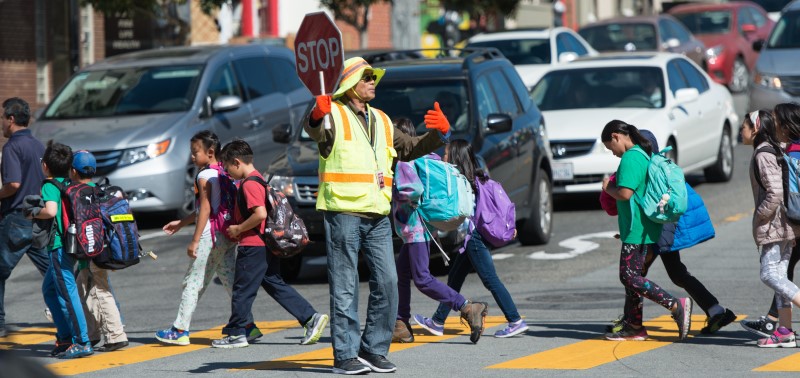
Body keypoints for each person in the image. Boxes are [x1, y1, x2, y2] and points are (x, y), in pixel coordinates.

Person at [304, 57, 450, 375]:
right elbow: (314, 129)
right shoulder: (333, 114)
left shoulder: (381, 120)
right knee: (345, 286)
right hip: (342, 211)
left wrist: (439, 134)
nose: (373, 81)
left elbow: (409, 147)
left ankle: (372, 349)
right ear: (350, 82)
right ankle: (344, 355)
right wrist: (316, 113)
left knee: (388, 282)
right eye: (367, 77)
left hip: (378, 214)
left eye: (374, 77)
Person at [602, 130, 736, 339]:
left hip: (663, 228)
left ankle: (634, 322)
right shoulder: (657, 166)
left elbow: (633, 205)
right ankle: (715, 310)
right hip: (667, 225)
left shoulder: (648, 169)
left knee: (636, 274)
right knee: (673, 272)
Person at [211, 139, 328, 349]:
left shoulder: (249, 185)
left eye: (227, 166)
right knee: (275, 284)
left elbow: (260, 214)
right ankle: (311, 318)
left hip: (253, 245)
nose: (227, 172)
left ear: (237, 162)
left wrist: (238, 229)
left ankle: (237, 332)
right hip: (264, 244)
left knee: (241, 290)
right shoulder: (259, 180)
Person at [156, 131, 261, 346]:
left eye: (195, 152)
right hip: (227, 235)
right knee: (230, 280)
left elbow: (205, 208)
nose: (192, 157)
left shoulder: (204, 176)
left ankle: (179, 330)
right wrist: (182, 223)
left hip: (209, 236)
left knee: (193, 282)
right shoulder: (224, 173)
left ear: (210, 152)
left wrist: (195, 239)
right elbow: (211, 206)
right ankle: (247, 326)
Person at [414, 139, 527, 341]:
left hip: (475, 238)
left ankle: (515, 320)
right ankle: (438, 322)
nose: (444, 157)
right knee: (455, 278)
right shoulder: (480, 178)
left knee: (490, 280)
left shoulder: (462, 181)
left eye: (448, 154)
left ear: (456, 157)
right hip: (473, 238)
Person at [390, 119, 487, 344]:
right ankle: (400, 324)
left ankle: (467, 307)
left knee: (422, 278)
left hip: (416, 227)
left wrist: (389, 189)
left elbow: (411, 189)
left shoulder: (406, 160)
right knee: (402, 274)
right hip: (421, 226)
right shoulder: (425, 158)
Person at [600, 120, 692, 341]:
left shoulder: (632, 156)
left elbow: (625, 194)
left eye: (610, 147)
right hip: (641, 227)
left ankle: (675, 304)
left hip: (637, 228)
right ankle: (634, 326)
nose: (612, 154)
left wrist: (607, 187)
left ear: (616, 137)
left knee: (629, 276)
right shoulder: (642, 153)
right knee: (634, 277)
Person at [741, 104, 800, 342]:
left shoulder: (764, 154)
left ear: (755, 129)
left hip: (775, 225)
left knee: (769, 274)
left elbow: (774, 193)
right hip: (785, 223)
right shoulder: (774, 149)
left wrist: (761, 216)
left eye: (744, 127)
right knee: (780, 275)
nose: (740, 132)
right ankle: (784, 331)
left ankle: (784, 329)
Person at [35, 142, 93, 358]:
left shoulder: (49, 185)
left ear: (45, 166)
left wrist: (32, 212)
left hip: (60, 245)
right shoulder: (69, 183)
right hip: (74, 244)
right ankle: (65, 337)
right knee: (50, 289)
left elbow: (50, 212)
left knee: (68, 294)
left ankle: (82, 341)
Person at [0, 97, 49, 338]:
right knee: (54, 270)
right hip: (39, 216)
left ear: (11, 119)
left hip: (17, 216)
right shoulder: (39, 146)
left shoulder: (11, 147)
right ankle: (78, 314)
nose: (1, 123)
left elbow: (13, 184)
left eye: (2, 118)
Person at [72, 151, 128, 352]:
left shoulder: (79, 193)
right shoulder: (99, 190)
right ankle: (93, 334)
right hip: (102, 248)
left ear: (72, 170)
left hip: (94, 250)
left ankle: (116, 336)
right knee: (85, 288)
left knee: (100, 290)